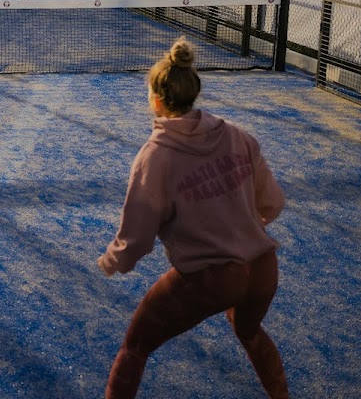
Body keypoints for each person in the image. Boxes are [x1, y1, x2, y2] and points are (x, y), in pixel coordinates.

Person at [98, 37, 288, 399]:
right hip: (263, 268)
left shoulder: (155, 156)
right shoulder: (238, 136)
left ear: (156, 99)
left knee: (135, 346)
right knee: (249, 331)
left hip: (213, 277)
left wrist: (113, 261)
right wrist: (242, 231)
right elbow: (273, 204)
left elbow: (137, 237)